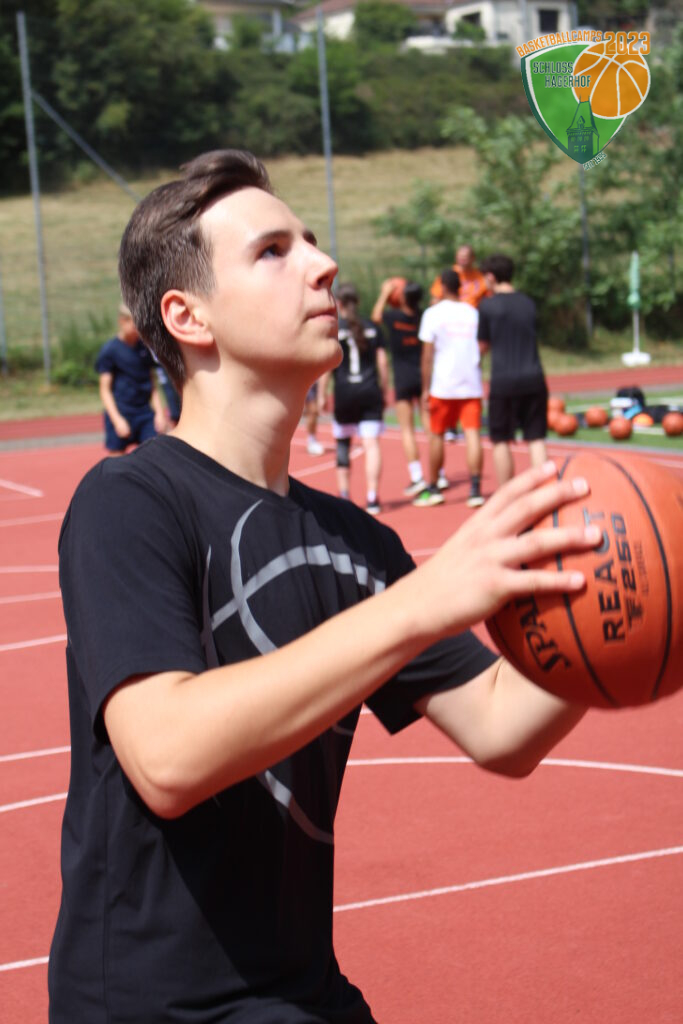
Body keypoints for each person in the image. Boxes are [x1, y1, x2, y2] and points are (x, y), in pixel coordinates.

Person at [49, 149, 600, 1024]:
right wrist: (420, 602)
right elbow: (167, 756)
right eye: (273, 251)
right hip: (158, 1007)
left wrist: (623, 614)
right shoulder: (131, 499)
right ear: (188, 316)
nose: (324, 264)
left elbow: (502, 725)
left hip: (302, 993)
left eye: (308, 241)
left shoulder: (354, 540)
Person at [414, 268, 486, 509]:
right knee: (472, 434)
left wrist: (425, 388)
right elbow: (481, 346)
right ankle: (475, 489)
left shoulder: (433, 314)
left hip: (443, 385)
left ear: (443, 286)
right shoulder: (472, 312)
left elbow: (427, 355)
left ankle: (434, 487)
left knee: (436, 435)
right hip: (470, 382)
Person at [478, 254, 548, 487]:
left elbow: (482, 345)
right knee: (536, 439)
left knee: (501, 440)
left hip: (503, 381)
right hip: (534, 377)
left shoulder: (487, 305)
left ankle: (506, 494)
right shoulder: (528, 302)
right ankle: (544, 490)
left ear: (491, 276)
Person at [323, 281, 389, 515]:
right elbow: (382, 362)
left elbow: (327, 365)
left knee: (343, 443)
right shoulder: (372, 327)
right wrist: (384, 389)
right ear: (358, 302)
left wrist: (322, 394)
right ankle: (372, 497)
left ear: (338, 303)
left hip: (344, 392)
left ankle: (344, 497)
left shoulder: (334, 328)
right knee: (371, 444)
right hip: (370, 390)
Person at [371, 277, 426, 497]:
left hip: (403, 378)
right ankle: (438, 475)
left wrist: (385, 293)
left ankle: (417, 476)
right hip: (423, 376)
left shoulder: (393, 317)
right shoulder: (423, 316)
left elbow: (375, 316)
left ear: (401, 298)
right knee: (431, 428)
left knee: (407, 430)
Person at [95, 303, 167, 452]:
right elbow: (105, 390)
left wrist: (159, 413)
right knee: (117, 459)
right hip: (122, 411)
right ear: (122, 321)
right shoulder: (110, 350)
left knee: (154, 454)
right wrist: (117, 420)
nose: (137, 327)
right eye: (134, 323)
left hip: (144, 413)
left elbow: (152, 383)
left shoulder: (145, 348)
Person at [429, 244, 489, 309]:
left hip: (474, 312)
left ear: (473, 258)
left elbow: (489, 297)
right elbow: (435, 299)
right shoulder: (448, 275)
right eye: (460, 256)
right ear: (456, 257)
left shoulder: (480, 277)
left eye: (466, 257)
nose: (463, 259)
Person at [303, 378, 326, 455]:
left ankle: (312, 439)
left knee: (314, 412)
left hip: (315, 382)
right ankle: (311, 440)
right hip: (308, 381)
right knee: (312, 411)